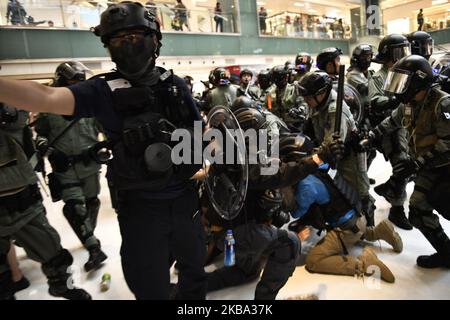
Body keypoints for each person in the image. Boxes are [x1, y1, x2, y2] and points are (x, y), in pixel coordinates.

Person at [0, 1, 206, 300]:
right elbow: (45, 97)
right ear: (108, 47)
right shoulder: (101, 90)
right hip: (140, 206)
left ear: (154, 39)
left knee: (194, 272)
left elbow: (198, 135)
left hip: (185, 198)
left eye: (135, 36)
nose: (128, 45)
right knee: (149, 283)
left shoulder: (173, 85)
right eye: (118, 40)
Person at [0, 103, 91, 300]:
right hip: (17, 196)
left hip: (21, 200)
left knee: (55, 256)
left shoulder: (9, 102)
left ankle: (63, 287)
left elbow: (21, 122)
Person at [370, 55, 450, 268]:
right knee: (418, 212)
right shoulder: (411, 103)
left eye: (403, 81)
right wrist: (369, 137)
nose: (400, 89)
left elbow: (447, 144)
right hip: (428, 169)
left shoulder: (442, 104)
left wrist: (416, 163)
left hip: (445, 168)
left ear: (417, 82)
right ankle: (447, 253)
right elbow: (392, 121)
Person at [34, 61, 108, 272]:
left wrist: (105, 146)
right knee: (74, 208)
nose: (77, 85)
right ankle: (94, 249)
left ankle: (88, 235)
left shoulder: (90, 104)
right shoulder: (48, 105)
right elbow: (39, 135)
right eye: (73, 81)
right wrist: (47, 149)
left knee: (91, 203)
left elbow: (106, 129)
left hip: (90, 165)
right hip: (64, 167)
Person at [288, 164, 402, 283]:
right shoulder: (322, 168)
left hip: (346, 229)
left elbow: (295, 213)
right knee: (355, 230)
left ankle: (363, 263)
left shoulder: (306, 187)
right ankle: (378, 231)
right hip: (360, 217)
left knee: (313, 260)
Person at [297, 71, 374, 227]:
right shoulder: (317, 103)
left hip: (350, 154)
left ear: (322, 93)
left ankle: (369, 225)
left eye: (309, 97)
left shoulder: (335, 111)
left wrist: (308, 157)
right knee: (339, 188)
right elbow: (310, 128)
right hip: (333, 153)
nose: (305, 100)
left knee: (360, 191)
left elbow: (329, 145)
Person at [368, 34, 412, 230]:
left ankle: (389, 187)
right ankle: (397, 210)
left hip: (407, 126)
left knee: (412, 165)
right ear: (389, 54)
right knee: (402, 163)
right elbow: (374, 101)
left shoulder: (405, 72)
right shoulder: (379, 77)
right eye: (399, 51)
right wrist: (394, 100)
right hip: (389, 129)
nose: (403, 55)